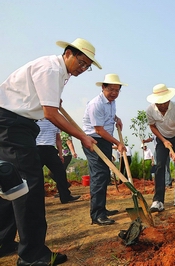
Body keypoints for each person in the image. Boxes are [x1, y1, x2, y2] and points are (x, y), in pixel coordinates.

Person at [0, 38, 100, 265]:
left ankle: (3, 241)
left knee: (12, 184)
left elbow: (43, 102)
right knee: (29, 187)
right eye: (81, 63)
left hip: (10, 122)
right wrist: (82, 136)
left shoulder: (58, 73)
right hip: (13, 124)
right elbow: (51, 114)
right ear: (68, 53)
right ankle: (33, 256)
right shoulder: (51, 69)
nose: (83, 69)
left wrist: (53, 97)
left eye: (87, 66)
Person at [82, 74, 127, 226]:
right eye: (111, 89)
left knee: (104, 175)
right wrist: (118, 143)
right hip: (94, 141)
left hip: (105, 140)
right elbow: (99, 130)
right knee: (99, 176)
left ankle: (102, 208)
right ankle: (97, 215)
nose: (114, 93)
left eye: (117, 90)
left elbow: (110, 116)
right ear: (103, 88)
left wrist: (117, 119)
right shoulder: (96, 104)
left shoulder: (111, 102)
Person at [146, 83, 175, 212]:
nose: (161, 105)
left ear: (168, 99)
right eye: (158, 103)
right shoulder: (150, 110)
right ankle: (158, 200)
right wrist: (164, 140)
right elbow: (153, 127)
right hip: (162, 138)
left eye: (164, 102)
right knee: (160, 166)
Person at [36, 118, 81, 203]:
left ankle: (65, 196)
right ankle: (36, 200)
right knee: (36, 175)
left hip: (51, 149)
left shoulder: (54, 121)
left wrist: (60, 154)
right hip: (37, 149)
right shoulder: (35, 120)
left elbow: (58, 139)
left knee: (60, 173)